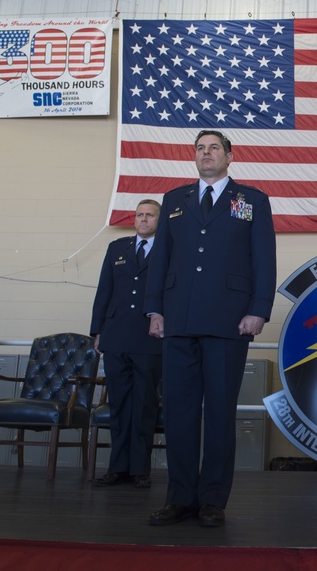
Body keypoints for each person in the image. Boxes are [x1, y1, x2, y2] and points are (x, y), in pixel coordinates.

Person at [144, 129, 276, 528]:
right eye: (200, 149)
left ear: (229, 156)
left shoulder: (251, 200)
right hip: (178, 320)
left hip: (228, 321)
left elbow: (263, 259)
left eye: (214, 148)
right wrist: (154, 309)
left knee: (219, 413)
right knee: (181, 413)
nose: (206, 154)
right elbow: (161, 258)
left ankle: (213, 500)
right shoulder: (175, 201)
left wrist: (259, 309)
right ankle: (180, 497)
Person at [90, 199, 163, 489]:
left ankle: (139, 469)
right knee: (119, 404)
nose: (143, 220)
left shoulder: (168, 248)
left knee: (144, 404)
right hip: (116, 335)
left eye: (150, 215)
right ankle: (117, 467)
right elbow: (104, 290)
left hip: (149, 337)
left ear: (160, 220)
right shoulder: (117, 248)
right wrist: (98, 330)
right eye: (140, 215)